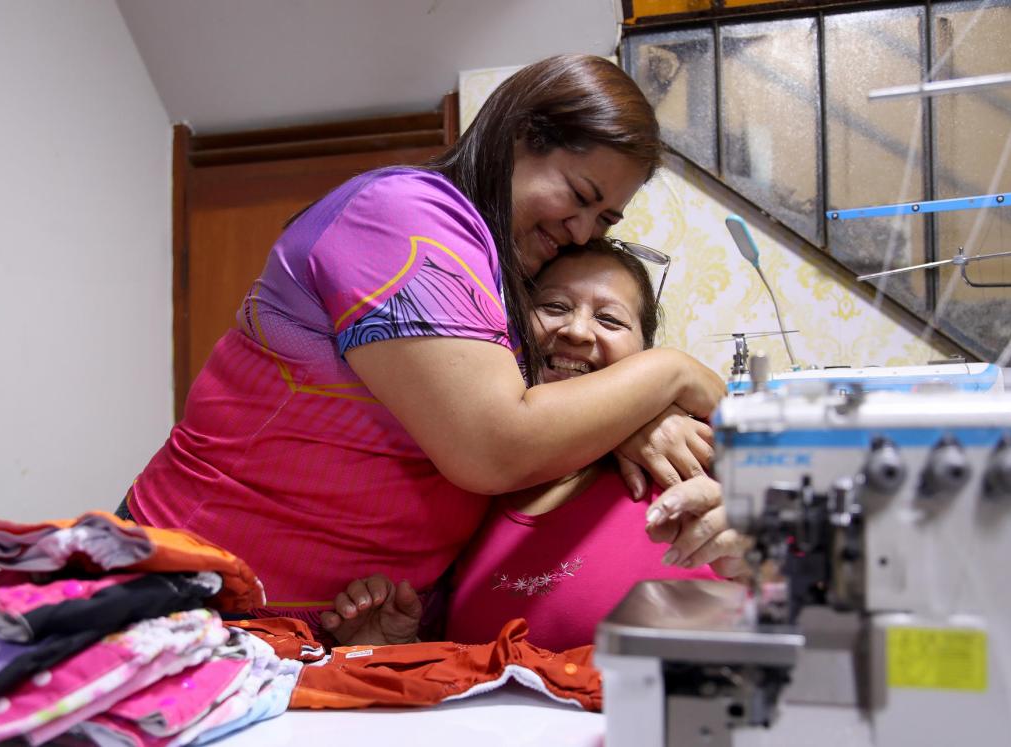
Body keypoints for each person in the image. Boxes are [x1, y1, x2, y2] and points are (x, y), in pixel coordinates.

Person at [121, 55, 725, 632]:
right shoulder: (405, 218)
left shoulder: (495, 269)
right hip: (194, 591)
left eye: (604, 221)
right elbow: (493, 446)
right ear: (517, 136)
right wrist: (669, 372)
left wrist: (637, 420)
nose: (581, 232)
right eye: (579, 196)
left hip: (332, 629)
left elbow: (536, 402)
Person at [321, 241, 749, 650]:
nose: (578, 331)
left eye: (611, 320)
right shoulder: (464, 486)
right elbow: (472, 679)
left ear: (644, 353)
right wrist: (397, 649)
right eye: (554, 307)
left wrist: (760, 561)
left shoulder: (692, 457)